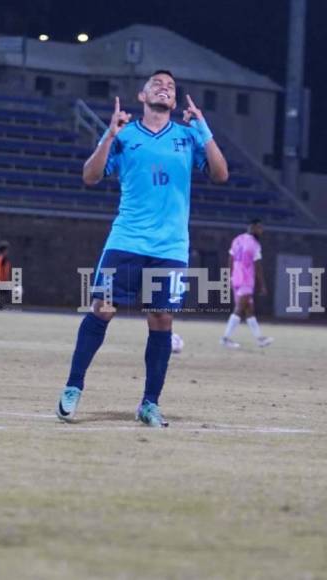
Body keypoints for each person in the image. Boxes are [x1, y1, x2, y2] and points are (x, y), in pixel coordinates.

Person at [56, 70, 229, 427]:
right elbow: (89, 176)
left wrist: (204, 128)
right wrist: (109, 133)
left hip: (170, 247)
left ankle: (149, 403)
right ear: (141, 94)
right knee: (103, 308)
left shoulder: (186, 136)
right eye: (158, 84)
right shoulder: (126, 135)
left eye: (171, 87)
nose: (166, 88)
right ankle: (73, 387)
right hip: (127, 240)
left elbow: (220, 174)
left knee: (161, 318)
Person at [220, 218, 273, 348]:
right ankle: (225, 338)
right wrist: (262, 285)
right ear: (253, 227)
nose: (261, 231)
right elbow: (258, 266)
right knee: (239, 308)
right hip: (246, 280)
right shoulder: (254, 244)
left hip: (236, 278)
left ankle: (260, 339)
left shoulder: (237, 239)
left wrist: (229, 275)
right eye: (260, 228)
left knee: (249, 310)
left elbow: (230, 258)